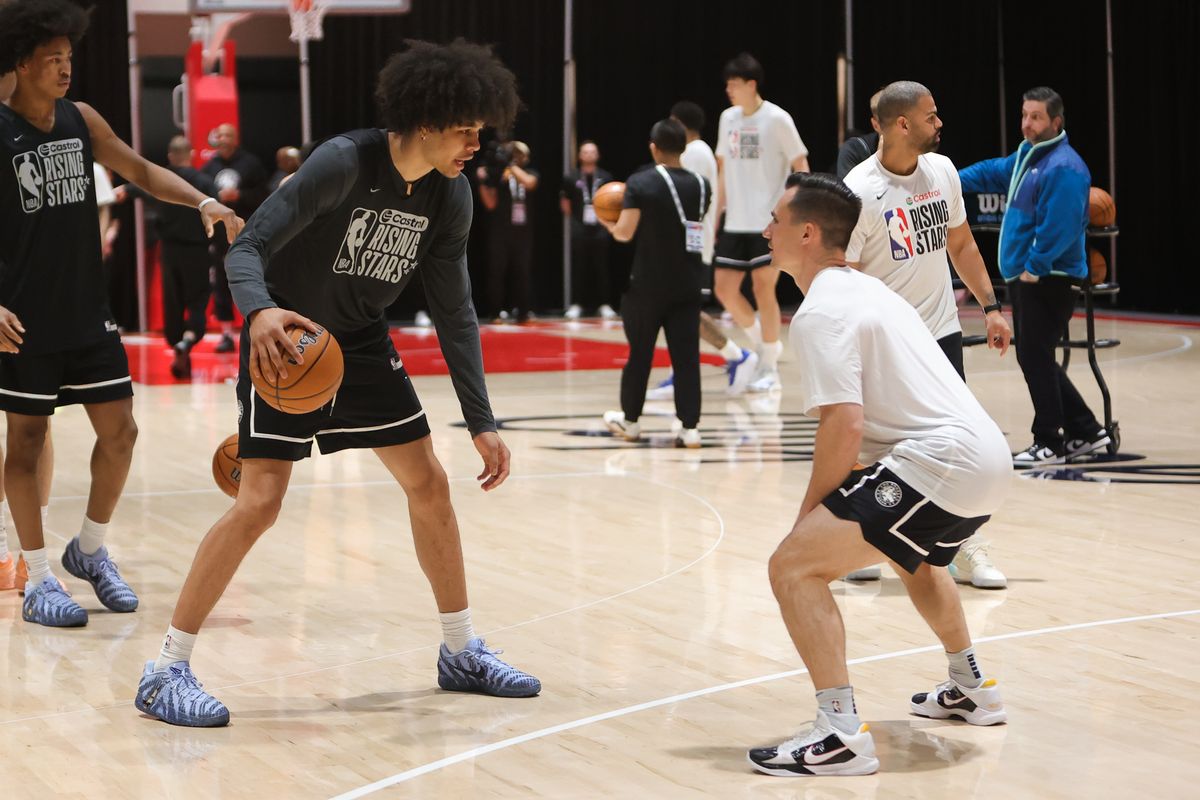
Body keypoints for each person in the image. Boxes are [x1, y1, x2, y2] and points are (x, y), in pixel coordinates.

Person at [134, 39, 540, 728]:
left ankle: (460, 649)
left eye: (483, 128)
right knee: (259, 503)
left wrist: (482, 419)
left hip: (359, 342)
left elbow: (455, 310)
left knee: (430, 485)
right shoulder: (343, 162)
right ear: (426, 116)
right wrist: (259, 313)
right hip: (288, 343)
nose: (478, 141)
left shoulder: (450, 196)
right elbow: (248, 247)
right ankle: (166, 667)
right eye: (467, 127)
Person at [748, 172, 1009, 777]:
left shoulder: (822, 312)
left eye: (776, 221)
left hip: (943, 459)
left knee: (792, 566)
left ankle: (839, 734)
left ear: (807, 234)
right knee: (911, 556)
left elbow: (843, 424)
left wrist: (807, 520)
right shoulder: (870, 292)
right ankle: (971, 687)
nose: (766, 229)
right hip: (983, 455)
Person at [0, 0, 240, 625]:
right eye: (52, 58)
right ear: (20, 62)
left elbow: (139, 169)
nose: (64, 68)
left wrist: (202, 202)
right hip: (21, 319)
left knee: (121, 431)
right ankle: (39, 574)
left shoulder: (81, 119)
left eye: (69, 57)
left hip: (86, 311)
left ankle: (90, 549)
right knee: (25, 441)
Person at [841, 81, 1011, 589]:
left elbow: (961, 245)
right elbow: (840, 276)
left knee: (960, 446)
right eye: (931, 116)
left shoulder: (942, 171)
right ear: (902, 125)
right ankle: (858, 542)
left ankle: (962, 548)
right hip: (884, 343)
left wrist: (992, 307)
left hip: (940, 334)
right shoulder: (858, 191)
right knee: (870, 448)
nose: (940, 124)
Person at [959, 86, 1108, 466]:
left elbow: (1058, 229)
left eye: (1036, 117)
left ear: (1056, 121)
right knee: (1036, 355)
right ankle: (1087, 432)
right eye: (1025, 115)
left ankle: (1049, 442)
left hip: (1049, 278)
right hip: (1033, 278)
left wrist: (1034, 269)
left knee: (1035, 355)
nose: (1027, 123)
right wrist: (947, 178)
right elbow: (993, 172)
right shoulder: (1028, 156)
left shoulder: (1065, 166)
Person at [599, 119, 710, 448]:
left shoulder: (641, 182)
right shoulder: (702, 184)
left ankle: (631, 422)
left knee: (641, 354)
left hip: (648, 284)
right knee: (687, 357)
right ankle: (690, 428)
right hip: (689, 282)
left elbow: (624, 232)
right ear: (684, 147)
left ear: (653, 147)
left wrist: (608, 221)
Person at [646, 102, 759, 401]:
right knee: (679, 311)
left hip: (690, 246)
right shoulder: (701, 152)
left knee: (683, 311)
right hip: (691, 244)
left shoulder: (694, 153)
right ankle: (688, 369)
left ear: (679, 125)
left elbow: (683, 200)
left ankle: (736, 354)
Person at [715, 53, 809, 393]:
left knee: (761, 288)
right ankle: (763, 343)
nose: (728, 90)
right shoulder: (728, 119)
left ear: (751, 85)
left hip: (768, 220)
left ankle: (769, 366)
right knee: (723, 289)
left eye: (734, 84)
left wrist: (799, 210)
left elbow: (800, 162)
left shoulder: (777, 119)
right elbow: (722, 169)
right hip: (735, 219)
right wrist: (716, 215)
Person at [116, 136, 219, 378]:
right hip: (198, 250)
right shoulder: (204, 181)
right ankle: (190, 337)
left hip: (170, 250)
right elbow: (218, 210)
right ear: (191, 154)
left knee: (173, 301)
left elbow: (139, 187)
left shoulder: (161, 181)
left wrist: (125, 190)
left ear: (171, 156)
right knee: (198, 299)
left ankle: (175, 343)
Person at [202, 122, 268, 352]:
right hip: (219, 237)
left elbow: (265, 193)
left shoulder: (251, 163)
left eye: (227, 136)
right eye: (219, 136)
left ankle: (257, 329)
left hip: (248, 233)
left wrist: (239, 195)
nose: (223, 140)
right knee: (221, 283)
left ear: (235, 138)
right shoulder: (209, 167)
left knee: (255, 279)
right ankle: (227, 334)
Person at [478, 139, 538, 322]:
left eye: (519, 154)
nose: (515, 157)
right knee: (497, 271)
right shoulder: (499, 176)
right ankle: (495, 312)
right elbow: (490, 204)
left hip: (523, 232)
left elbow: (530, 183)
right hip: (500, 230)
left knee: (522, 271)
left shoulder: (529, 172)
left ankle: (523, 312)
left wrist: (511, 167)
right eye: (512, 153)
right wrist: (483, 182)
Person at [561, 140, 616, 320]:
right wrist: (575, 223)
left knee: (602, 267)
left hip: (600, 228)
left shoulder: (605, 177)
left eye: (593, 152)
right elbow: (565, 203)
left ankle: (604, 304)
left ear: (598, 155)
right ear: (580, 155)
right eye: (585, 152)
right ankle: (577, 304)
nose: (589, 155)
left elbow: (614, 203)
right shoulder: (572, 177)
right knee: (579, 267)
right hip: (579, 228)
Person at [834, 88, 883, 180]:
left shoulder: (915, 147)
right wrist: (879, 163)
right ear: (875, 125)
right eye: (889, 122)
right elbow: (847, 192)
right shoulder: (854, 149)